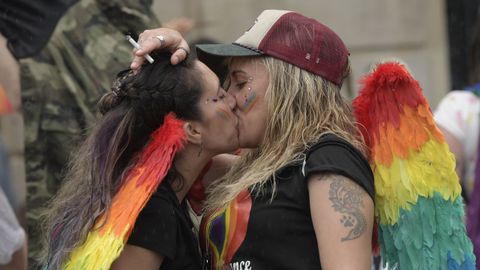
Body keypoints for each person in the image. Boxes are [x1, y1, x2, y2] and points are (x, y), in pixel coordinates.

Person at [133, 9, 375, 270]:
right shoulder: (252, 167)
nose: (229, 99)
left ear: (288, 88)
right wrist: (164, 63)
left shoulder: (329, 159)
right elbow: (145, 152)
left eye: (239, 83)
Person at [42, 52, 239, 270]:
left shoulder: (166, 191)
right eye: (219, 97)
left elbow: (268, 165)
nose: (232, 100)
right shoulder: (152, 213)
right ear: (192, 130)